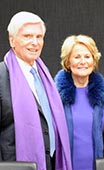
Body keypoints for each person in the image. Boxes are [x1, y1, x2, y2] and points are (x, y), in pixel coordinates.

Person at [0, 11, 72, 170]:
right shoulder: (2, 76)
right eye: (27, 36)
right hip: (16, 165)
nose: (35, 42)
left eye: (39, 37)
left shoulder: (45, 76)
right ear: (12, 40)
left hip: (52, 163)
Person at [54, 34, 104, 170]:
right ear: (68, 62)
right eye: (77, 57)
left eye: (87, 56)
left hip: (99, 165)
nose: (83, 62)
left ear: (94, 60)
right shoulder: (54, 95)